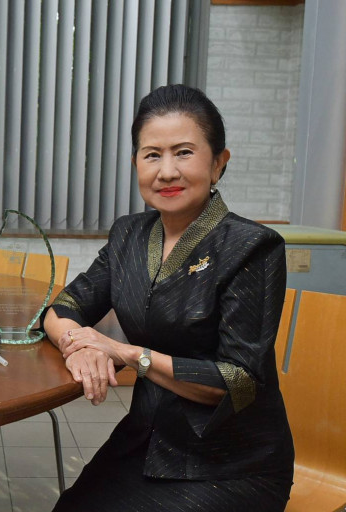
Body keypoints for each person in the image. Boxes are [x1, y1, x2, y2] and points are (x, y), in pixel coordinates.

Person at [43, 84, 294, 512]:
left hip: (232, 463)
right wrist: (78, 345)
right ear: (136, 164)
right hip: (145, 439)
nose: (167, 171)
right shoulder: (128, 235)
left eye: (184, 153)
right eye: (152, 155)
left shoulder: (252, 247)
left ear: (218, 163)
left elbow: (236, 381)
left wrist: (126, 353)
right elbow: (64, 307)